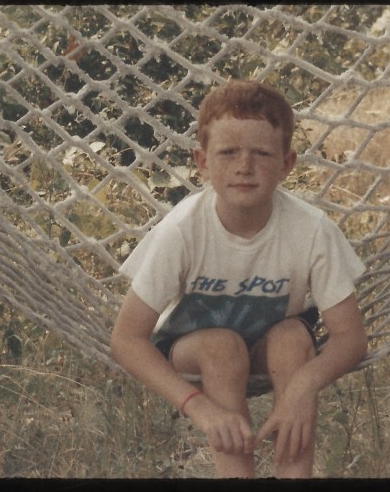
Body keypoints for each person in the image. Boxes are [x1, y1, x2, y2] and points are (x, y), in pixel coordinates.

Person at [110, 79, 367, 478]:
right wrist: (199, 406)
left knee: (293, 340)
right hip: (193, 348)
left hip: (272, 348)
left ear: (287, 164)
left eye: (262, 154)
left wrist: (304, 386)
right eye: (228, 152)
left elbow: (350, 337)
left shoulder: (311, 229)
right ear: (202, 161)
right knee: (222, 347)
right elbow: (127, 339)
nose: (244, 167)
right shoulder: (181, 230)